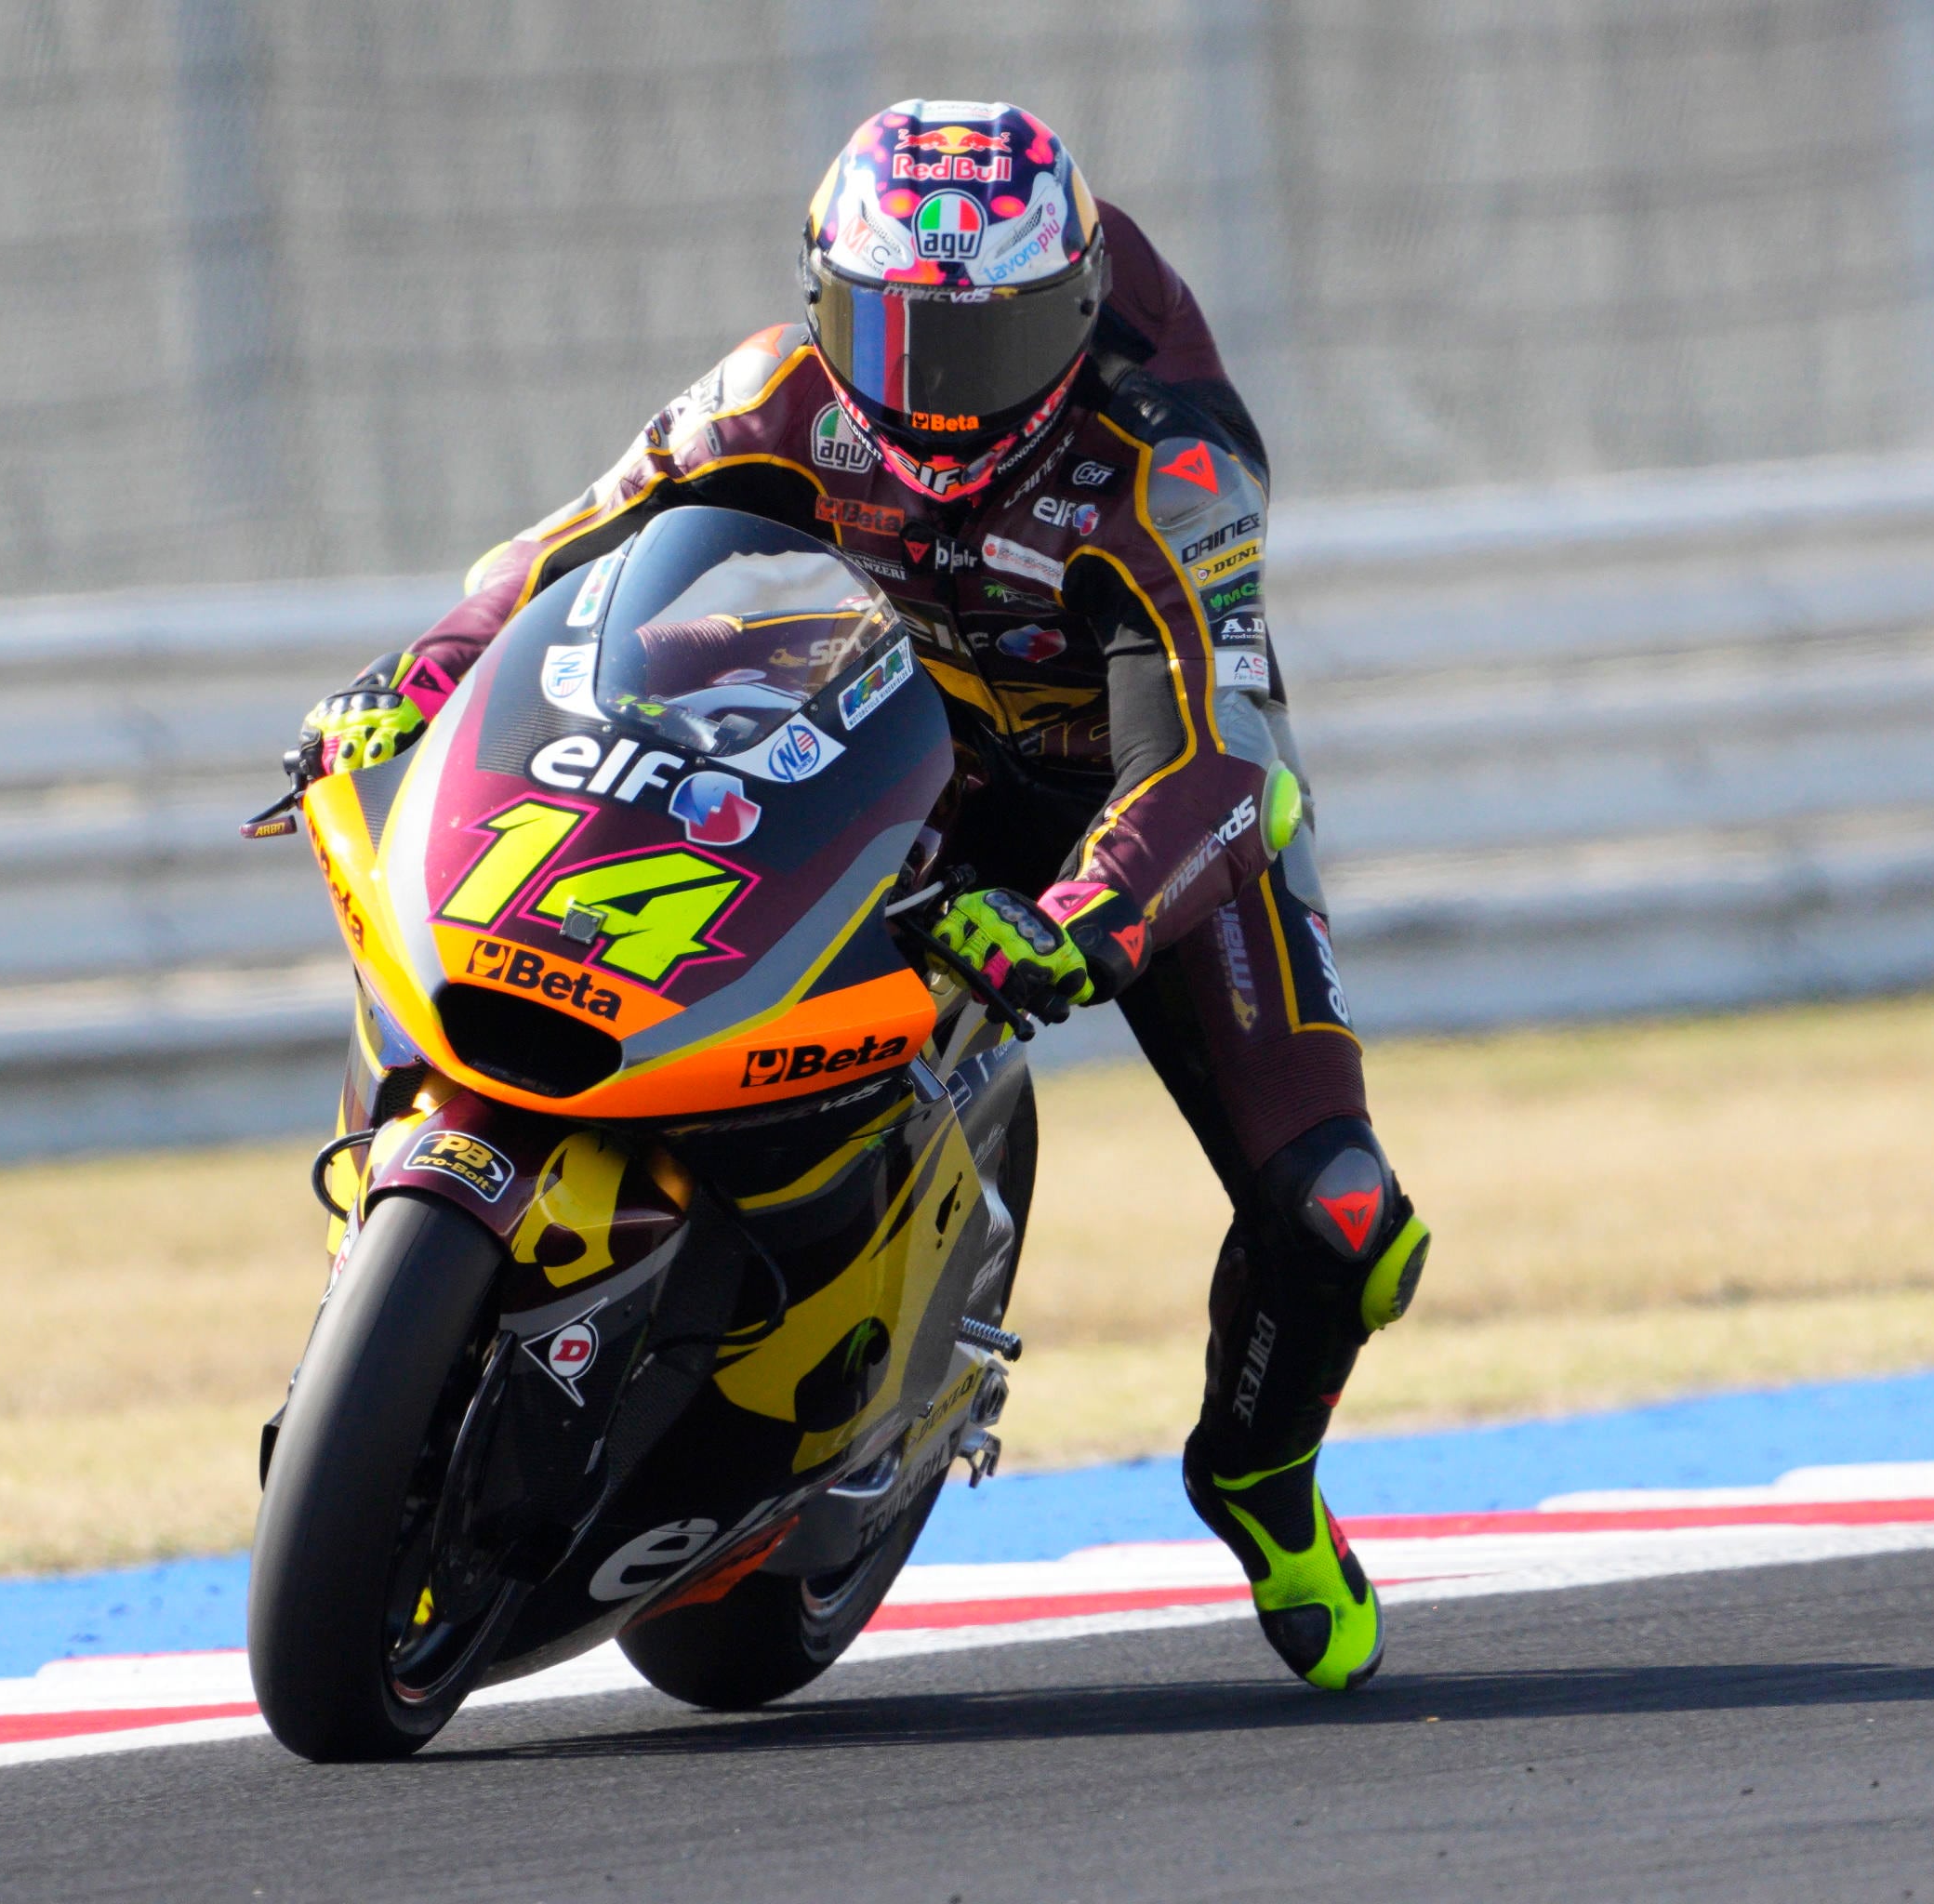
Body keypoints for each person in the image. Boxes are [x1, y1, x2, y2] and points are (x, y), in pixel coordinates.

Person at [295, 99, 1431, 1691]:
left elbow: (1220, 764)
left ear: (1075, 316)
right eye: (891, 335)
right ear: (829, 303)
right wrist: (417, 676)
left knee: (1344, 1218)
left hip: (1126, 803)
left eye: (981, 345)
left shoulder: (1170, 463)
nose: (931, 392)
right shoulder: (774, 389)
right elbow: (559, 559)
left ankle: (1259, 1480)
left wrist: (1078, 919)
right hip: (881, 739)